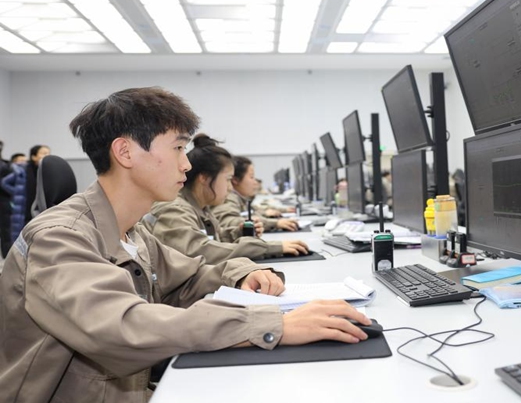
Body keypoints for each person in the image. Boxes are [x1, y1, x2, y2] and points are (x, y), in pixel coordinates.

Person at [0, 87, 370, 403]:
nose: (187, 166)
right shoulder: (59, 236)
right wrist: (273, 324)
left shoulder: (130, 231)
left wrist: (244, 272)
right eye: (177, 149)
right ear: (126, 152)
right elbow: (123, 326)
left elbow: (190, 277)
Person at [144, 135, 308, 263]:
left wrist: (236, 232)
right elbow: (199, 251)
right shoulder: (175, 208)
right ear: (205, 178)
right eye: (227, 179)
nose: (230, 188)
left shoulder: (201, 207)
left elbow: (212, 239)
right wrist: (267, 248)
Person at [211, 155, 303, 237]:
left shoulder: (239, 199)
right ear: (235, 180)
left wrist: (281, 211)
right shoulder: (229, 198)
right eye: (251, 177)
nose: (255, 182)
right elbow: (227, 221)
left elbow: (251, 210)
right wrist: (275, 223)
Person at [1, 154, 29, 244]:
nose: (23, 162)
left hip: (23, 202)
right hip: (16, 203)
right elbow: (4, 182)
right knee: (15, 226)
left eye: (24, 160)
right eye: (21, 160)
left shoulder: (26, 170)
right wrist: (16, 192)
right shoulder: (16, 171)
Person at [24, 144, 50, 223]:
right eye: (44, 153)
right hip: (24, 209)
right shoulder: (23, 171)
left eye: (48, 153)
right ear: (33, 156)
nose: (47, 156)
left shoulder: (48, 171)